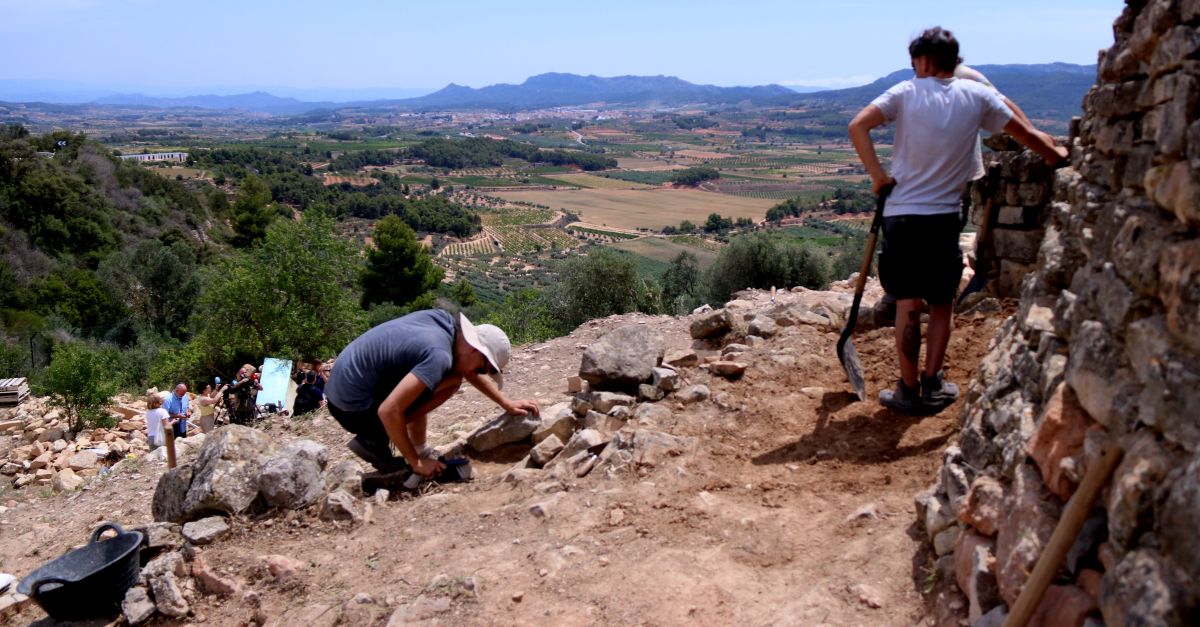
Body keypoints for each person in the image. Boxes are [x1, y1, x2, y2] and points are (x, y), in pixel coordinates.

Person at [848, 26, 1067, 414]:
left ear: (923, 60)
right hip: (945, 217)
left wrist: (878, 177)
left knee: (907, 304)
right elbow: (1026, 134)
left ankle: (907, 389)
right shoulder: (978, 96)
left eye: (913, 62)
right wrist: (1057, 156)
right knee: (942, 304)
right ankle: (933, 384)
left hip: (901, 216)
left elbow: (858, 125)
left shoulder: (904, 92)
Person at [325, 309, 539, 478]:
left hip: (343, 388)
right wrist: (416, 463)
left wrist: (506, 403)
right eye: (483, 369)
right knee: (450, 382)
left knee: (450, 376)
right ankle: (375, 440)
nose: (480, 374)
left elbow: (468, 370)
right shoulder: (439, 356)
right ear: (475, 350)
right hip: (353, 407)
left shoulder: (443, 323)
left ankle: (412, 446)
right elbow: (389, 410)